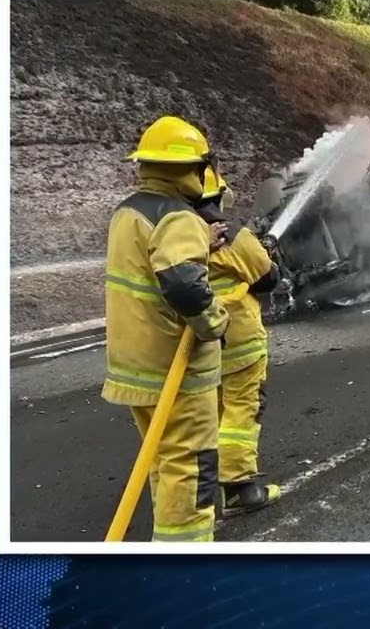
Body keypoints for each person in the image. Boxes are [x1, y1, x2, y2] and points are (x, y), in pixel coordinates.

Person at [102, 115, 230, 542]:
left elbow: (153, 262)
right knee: (191, 465)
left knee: (164, 458)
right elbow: (183, 284)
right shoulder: (179, 217)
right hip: (172, 368)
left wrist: (202, 245)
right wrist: (214, 322)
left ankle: (166, 540)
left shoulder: (129, 212)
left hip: (133, 363)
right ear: (192, 169)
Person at [195, 169, 283, 516]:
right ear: (218, 196)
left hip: (199, 343)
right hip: (239, 342)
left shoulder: (176, 234)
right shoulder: (231, 235)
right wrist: (266, 255)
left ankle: (203, 488)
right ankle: (239, 489)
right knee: (241, 410)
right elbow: (267, 280)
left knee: (209, 412)